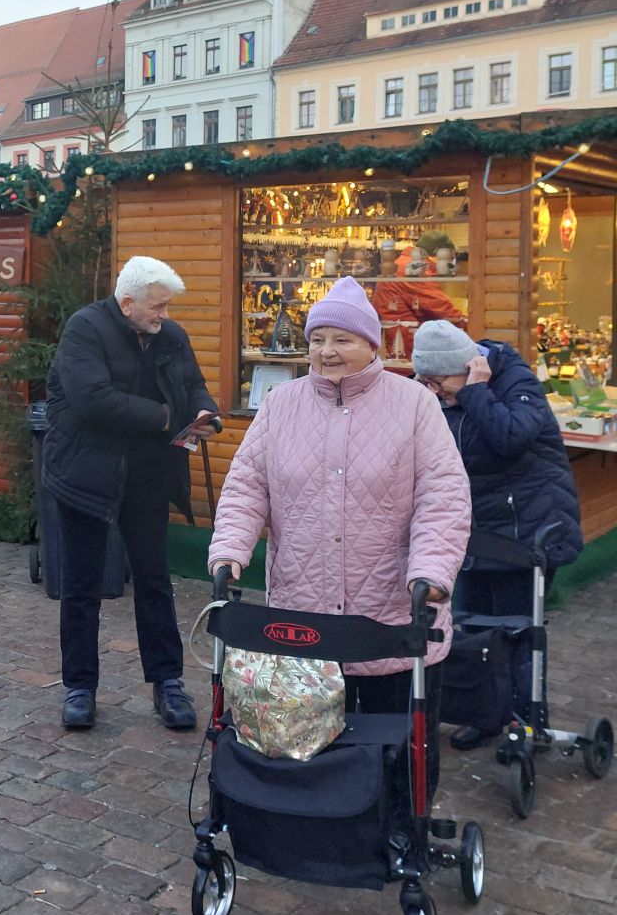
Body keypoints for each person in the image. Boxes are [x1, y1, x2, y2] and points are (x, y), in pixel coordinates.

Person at [208, 278, 471, 796]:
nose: (326, 351)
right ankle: (323, 835)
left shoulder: (414, 404)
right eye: (317, 339)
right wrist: (230, 552)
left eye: (342, 340)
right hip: (303, 617)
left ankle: (400, 832)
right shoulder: (281, 405)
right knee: (308, 742)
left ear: (372, 344)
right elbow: (246, 487)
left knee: (399, 747)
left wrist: (432, 574)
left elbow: (443, 497)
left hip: (392, 615)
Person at [42, 254, 219, 732]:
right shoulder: (85, 329)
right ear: (127, 303)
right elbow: (91, 399)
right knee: (81, 586)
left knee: (155, 580)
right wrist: (165, 418)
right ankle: (79, 687)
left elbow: (194, 385)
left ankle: (168, 683)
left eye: (166, 306)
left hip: (147, 475)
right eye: (156, 306)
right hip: (85, 473)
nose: (164, 315)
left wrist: (204, 413)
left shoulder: (171, 335)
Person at [412, 319, 582, 748]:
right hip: (473, 532)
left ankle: (524, 724)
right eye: (426, 383)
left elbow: (512, 436)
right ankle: (487, 715)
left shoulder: (511, 378)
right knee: (471, 631)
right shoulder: (440, 392)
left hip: (527, 530)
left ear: (468, 367)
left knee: (518, 634)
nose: (435, 392)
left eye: (439, 382)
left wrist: (473, 391)